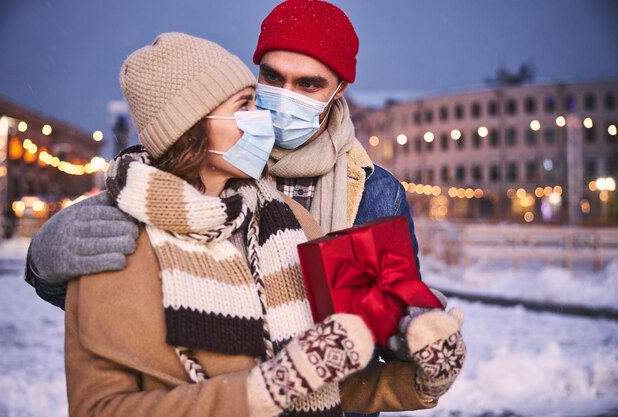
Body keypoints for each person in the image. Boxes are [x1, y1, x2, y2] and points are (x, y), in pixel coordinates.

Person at [61, 32, 465, 417]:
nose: (264, 120)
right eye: (246, 104)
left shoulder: (286, 219)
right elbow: (99, 407)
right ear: (191, 126)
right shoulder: (117, 238)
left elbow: (331, 378)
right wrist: (267, 389)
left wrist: (418, 378)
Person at [24, 0, 424, 307]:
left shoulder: (377, 194)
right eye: (271, 76)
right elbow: (121, 303)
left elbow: (384, 339)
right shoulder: (203, 161)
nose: (284, 96)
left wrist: (407, 325)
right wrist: (47, 266)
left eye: (308, 84)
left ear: (339, 92)